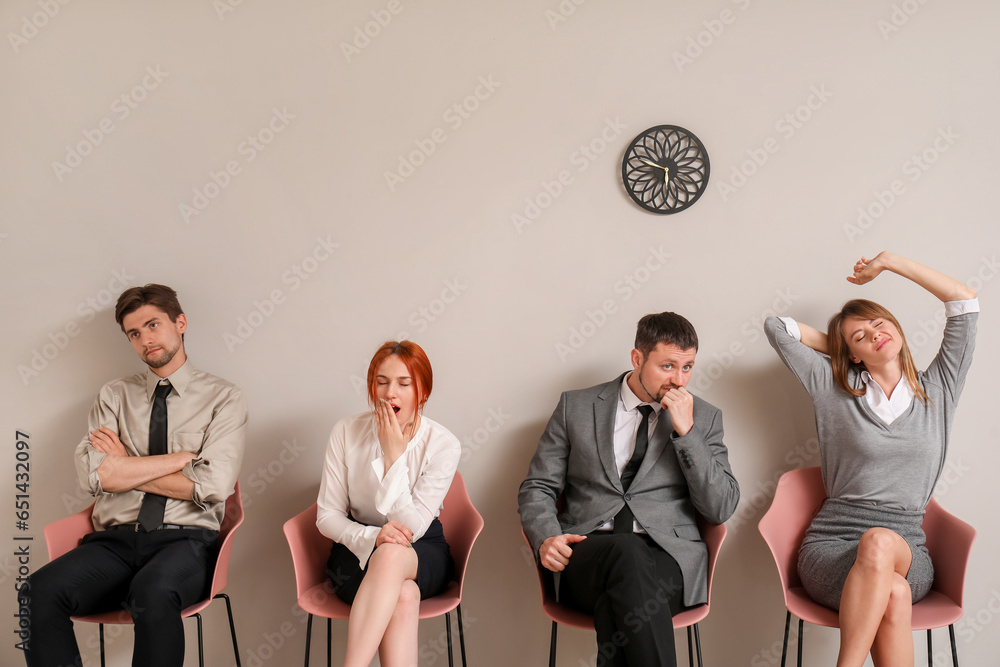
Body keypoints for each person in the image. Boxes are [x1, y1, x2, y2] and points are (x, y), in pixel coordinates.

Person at [764, 251, 978, 667]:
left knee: (881, 544)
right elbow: (778, 328)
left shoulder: (939, 388)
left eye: (879, 324)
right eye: (860, 337)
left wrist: (890, 262)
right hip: (832, 549)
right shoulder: (832, 387)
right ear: (852, 356)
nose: (875, 334)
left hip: (907, 548)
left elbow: (964, 301)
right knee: (893, 592)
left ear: (896, 327)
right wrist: (842, 352)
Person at [21, 284, 247, 667]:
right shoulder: (114, 396)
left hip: (186, 542)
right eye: (134, 333)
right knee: (37, 591)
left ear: (180, 323)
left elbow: (213, 486)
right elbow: (95, 477)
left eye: (153, 325)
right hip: (114, 542)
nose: (145, 340)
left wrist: (126, 464)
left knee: (153, 591)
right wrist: (179, 460)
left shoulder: (223, 398)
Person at [518, 312, 740, 667]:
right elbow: (538, 487)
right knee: (627, 552)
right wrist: (546, 537)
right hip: (587, 553)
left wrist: (688, 434)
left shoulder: (704, 417)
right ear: (637, 358)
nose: (679, 380)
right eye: (667, 366)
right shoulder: (576, 406)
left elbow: (720, 507)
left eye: (687, 367)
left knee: (618, 605)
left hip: (668, 559)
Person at [316, 341, 460, 667]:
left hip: (421, 549)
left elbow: (411, 529)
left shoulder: (444, 445)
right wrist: (372, 537)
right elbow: (327, 516)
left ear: (423, 392)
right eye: (381, 382)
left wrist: (394, 458)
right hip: (356, 549)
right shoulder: (345, 431)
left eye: (403, 384)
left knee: (393, 553)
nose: (390, 393)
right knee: (404, 594)